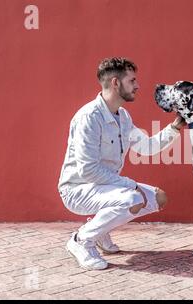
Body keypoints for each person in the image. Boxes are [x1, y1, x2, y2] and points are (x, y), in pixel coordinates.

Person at [58, 57, 186, 270]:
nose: (137, 86)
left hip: (104, 187)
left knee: (157, 198)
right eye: (132, 80)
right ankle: (81, 240)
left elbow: (147, 147)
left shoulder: (123, 116)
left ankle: (98, 231)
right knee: (132, 198)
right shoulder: (89, 117)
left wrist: (175, 127)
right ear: (116, 83)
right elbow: (88, 170)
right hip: (77, 190)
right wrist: (129, 184)